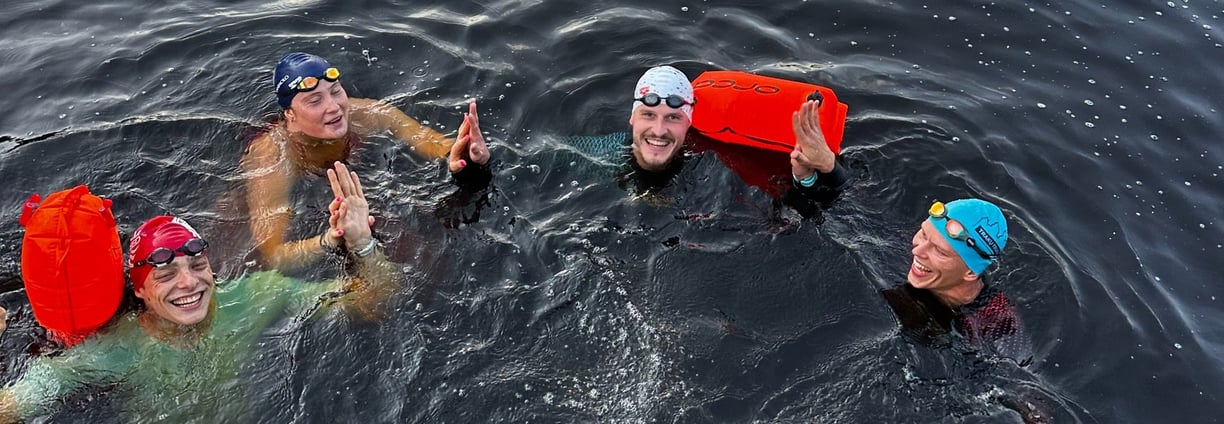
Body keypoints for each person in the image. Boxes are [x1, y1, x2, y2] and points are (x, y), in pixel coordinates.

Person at [0, 163, 399, 422]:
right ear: (138, 290)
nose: (189, 282)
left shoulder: (253, 296)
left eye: (197, 265)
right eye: (166, 274)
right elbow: (14, 408)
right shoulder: (118, 348)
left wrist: (363, 244)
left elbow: (372, 303)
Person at [243, 52, 492, 270]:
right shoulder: (273, 155)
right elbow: (273, 256)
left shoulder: (368, 114)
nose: (334, 107)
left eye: (335, 91)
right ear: (290, 114)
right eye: (315, 100)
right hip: (304, 202)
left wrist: (465, 154)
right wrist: (331, 238)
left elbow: (431, 141)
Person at [566, 65, 851, 205]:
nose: (659, 130)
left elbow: (812, 208)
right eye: (648, 115)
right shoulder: (599, 153)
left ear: (688, 123)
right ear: (632, 118)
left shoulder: (717, 161)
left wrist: (819, 170)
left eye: (674, 118)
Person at [881, 198, 1031, 364]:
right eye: (924, 234)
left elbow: (1018, 378)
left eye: (939, 251)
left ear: (971, 272)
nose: (917, 250)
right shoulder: (900, 249)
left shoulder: (996, 322)